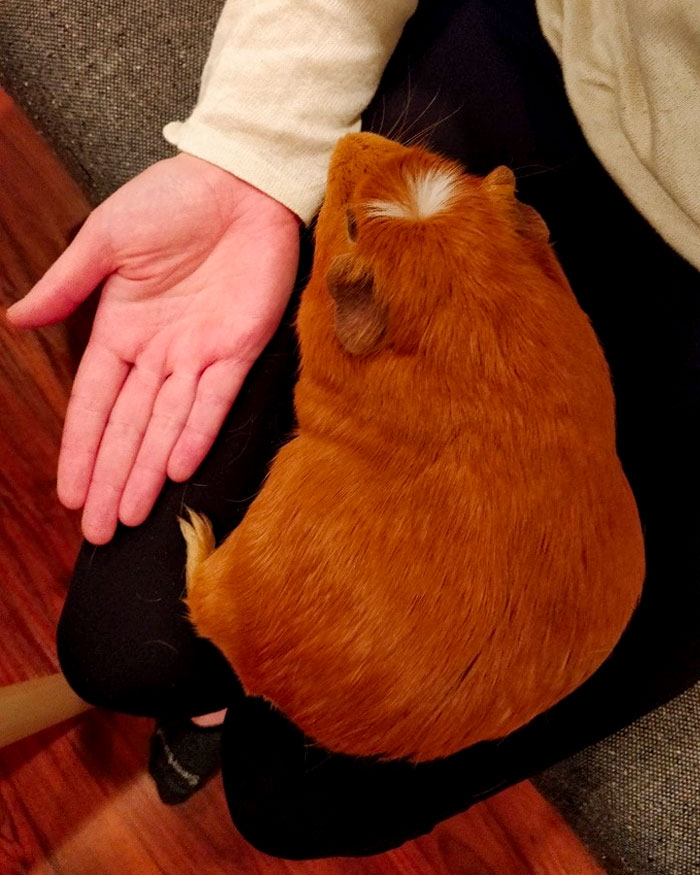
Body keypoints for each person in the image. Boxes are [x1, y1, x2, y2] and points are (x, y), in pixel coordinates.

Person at [6, 0, 700, 860]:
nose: (351, 159)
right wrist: (250, 150)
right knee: (126, 647)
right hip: (568, 65)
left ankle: (258, 694)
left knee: (300, 801)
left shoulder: (370, 308)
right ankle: (237, 687)